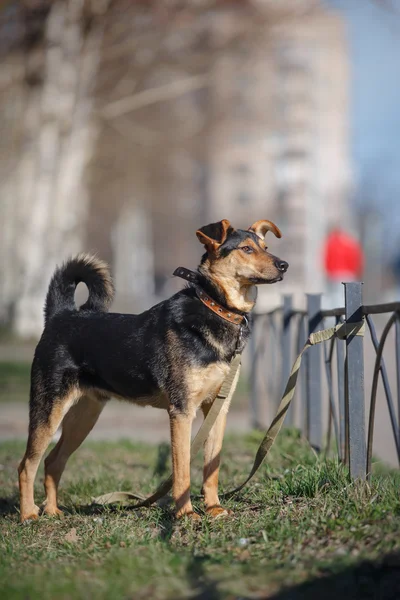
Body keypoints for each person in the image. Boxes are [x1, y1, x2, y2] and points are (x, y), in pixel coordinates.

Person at [322, 226, 364, 310]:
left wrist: (329, 272)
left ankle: (337, 318)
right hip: (348, 273)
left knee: (335, 297)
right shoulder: (350, 242)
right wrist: (355, 272)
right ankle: (345, 317)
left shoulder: (331, 242)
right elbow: (356, 258)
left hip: (335, 274)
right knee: (345, 297)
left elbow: (327, 258)